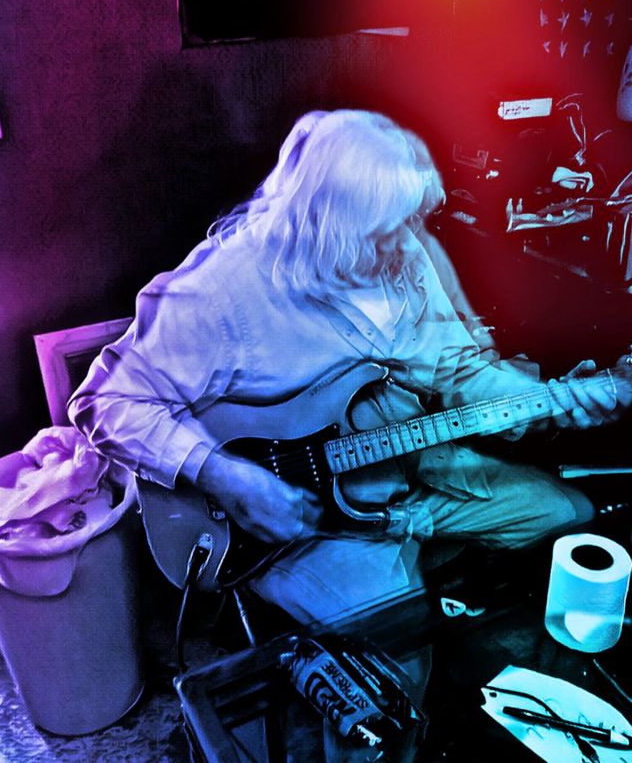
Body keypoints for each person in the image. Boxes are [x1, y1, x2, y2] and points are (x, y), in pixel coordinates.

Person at [68, 109, 629, 761]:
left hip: (415, 470)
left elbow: (460, 371)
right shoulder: (220, 288)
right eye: (384, 232)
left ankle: (441, 627)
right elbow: (105, 401)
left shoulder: (404, 246)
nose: (407, 246)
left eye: (408, 224)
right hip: (300, 525)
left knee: (566, 516)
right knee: (387, 687)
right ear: (325, 224)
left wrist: (549, 401)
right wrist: (225, 474)